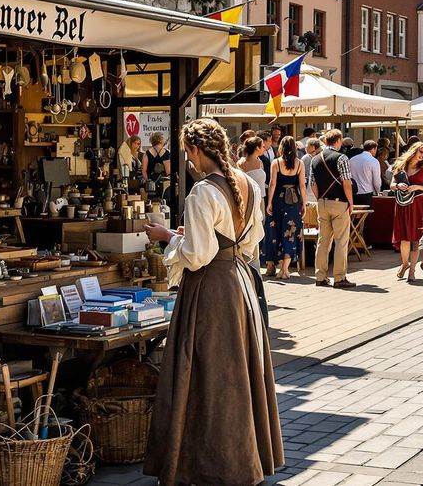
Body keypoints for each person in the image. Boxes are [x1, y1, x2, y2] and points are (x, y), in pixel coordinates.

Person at [143, 118, 283, 485]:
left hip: (210, 292)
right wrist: (191, 237)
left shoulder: (202, 192)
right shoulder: (248, 184)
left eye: (188, 153)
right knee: (236, 374)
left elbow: (198, 255)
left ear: (195, 149)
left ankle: (207, 464)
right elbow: (248, 243)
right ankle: (240, 459)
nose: (189, 160)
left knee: (207, 376)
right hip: (240, 285)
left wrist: (167, 237)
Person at [309, 129, 357, 289]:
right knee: (341, 241)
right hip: (339, 202)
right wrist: (350, 202)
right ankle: (339, 277)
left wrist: (320, 198)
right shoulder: (341, 157)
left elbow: (313, 184)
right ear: (338, 141)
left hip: (322, 203)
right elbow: (346, 183)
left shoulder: (315, 159)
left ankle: (320, 276)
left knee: (323, 241)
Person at [264, 135, 306, 280]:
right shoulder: (300, 164)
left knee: (273, 231)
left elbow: (272, 184)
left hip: (278, 200)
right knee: (290, 233)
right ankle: (285, 269)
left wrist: (269, 202)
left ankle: (272, 265)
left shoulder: (276, 162)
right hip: (293, 202)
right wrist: (303, 203)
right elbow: (302, 186)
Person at [390, 142, 423, 283]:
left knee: (415, 239)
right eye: (420, 151)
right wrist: (397, 185)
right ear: (414, 150)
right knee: (404, 237)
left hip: (419, 204)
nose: (422, 155)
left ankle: (412, 270)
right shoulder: (400, 164)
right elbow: (391, 185)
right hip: (403, 204)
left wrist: (417, 187)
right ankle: (404, 264)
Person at [350, 139, 382, 209]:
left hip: (353, 193)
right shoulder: (373, 161)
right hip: (367, 193)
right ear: (374, 149)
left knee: (355, 215)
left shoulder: (352, 159)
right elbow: (376, 181)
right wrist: (378, 192)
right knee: (367, 215)